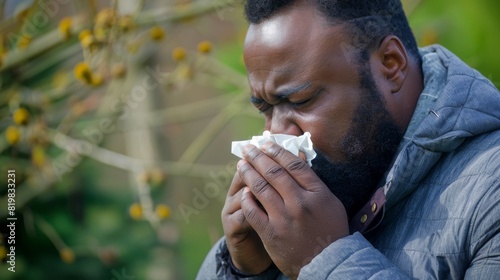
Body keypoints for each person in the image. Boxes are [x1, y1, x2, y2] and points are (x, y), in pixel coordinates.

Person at [197, 0, 500, 279]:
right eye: (265, 108)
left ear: (390, 64)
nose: (278, 137)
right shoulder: (313, 199)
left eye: (302, 101)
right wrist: (243, 270)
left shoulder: (490, 195)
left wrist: (323, 259)